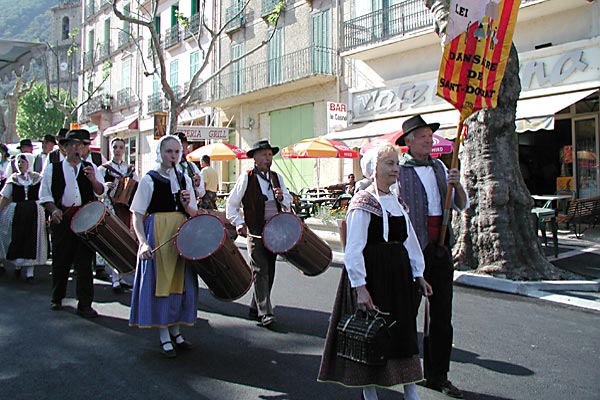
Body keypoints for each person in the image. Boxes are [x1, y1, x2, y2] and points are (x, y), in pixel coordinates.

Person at [318, 144, 432, 400]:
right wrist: (360, 287)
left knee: (402, 334)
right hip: (373, 277)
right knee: (370, 336)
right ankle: (370, 394)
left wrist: (419, 274)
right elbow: (354, 247)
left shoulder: (397, 201)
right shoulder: (363, 202)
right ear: (373, 170)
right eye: (389, 164)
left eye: (396, 163)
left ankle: (410, 391)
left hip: (399, 277)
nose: (395, 169)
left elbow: (409, 241)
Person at [395, 115, 468, 399]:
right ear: (409, 142)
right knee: (407, 313)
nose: (428, 139)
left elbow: (461, 204)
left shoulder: (440, 166)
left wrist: (457, 184)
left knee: (442, 315)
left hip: (441, 249)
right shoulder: (399, 172)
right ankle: (405, 372)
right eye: (422, 136)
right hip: (414, 251)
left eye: (429, 135)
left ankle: (438, 375)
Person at [129, 134, 198, 359]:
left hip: (180, 234)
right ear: (160, 152)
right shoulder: (149, 179)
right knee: (163, 283)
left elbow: (193, 213)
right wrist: (143, 242)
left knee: (181, 282)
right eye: (169, 151)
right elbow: (137, 215)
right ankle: (163, 334)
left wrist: (188, 205)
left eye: (177, 152)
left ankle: (176, 330)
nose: (173, 156)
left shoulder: (184, 178)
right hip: (159, 233)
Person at [39, 129, 107, 318]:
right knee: (61, 260)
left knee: (85, 263)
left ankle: (85, 304)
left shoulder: (90, 167)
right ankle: (57, 297)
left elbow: (101, 192)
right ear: (65, 148)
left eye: (80, 145)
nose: (76, 149)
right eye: (72, 145)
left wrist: (93, 178)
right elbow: (45, 194)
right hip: (63, 219)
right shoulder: (53, 168)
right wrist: (54, 210)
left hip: (84, 220)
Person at [226, 140, 292, 327]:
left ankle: (256, 306)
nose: (267, 158)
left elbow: (288, 200)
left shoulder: (277, 177)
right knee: (259, 269)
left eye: (270, 155)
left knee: (270, 270)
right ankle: (265, 312)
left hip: (275, 230)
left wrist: (281, 197)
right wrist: (238, 223)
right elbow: (231, 204)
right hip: (255, 230)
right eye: (263, 155)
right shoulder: (246, 178)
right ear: (254, 158)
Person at [98, 137, 139, 293]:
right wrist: (106, 186)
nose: (118, 150)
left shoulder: (130, 169)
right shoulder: (104, 169)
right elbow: (98, 190)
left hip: (126, 208)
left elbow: (138, 185)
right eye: (115, 147)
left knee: (128, 240)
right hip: (111, 206)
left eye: (121, 147)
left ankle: (126, 276)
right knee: (115, 240)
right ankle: (116, 279)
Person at [0, 153, 47, 282]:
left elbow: (44, 195)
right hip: (18, 212)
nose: (21, 165)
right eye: (19, 162)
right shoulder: (13, 179)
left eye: (23, 162)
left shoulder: (38, 178)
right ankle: (18, 266)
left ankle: (30, 272)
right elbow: (5, 197)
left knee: (32, 240)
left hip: (34, 212)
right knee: (18, 238)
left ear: (29, 163)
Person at [175, 132, 205, 202]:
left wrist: (198, 184)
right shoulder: (168, 168)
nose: (183, 152)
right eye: (180, 149)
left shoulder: (192, 167)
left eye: (185, 148)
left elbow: (201, 193)